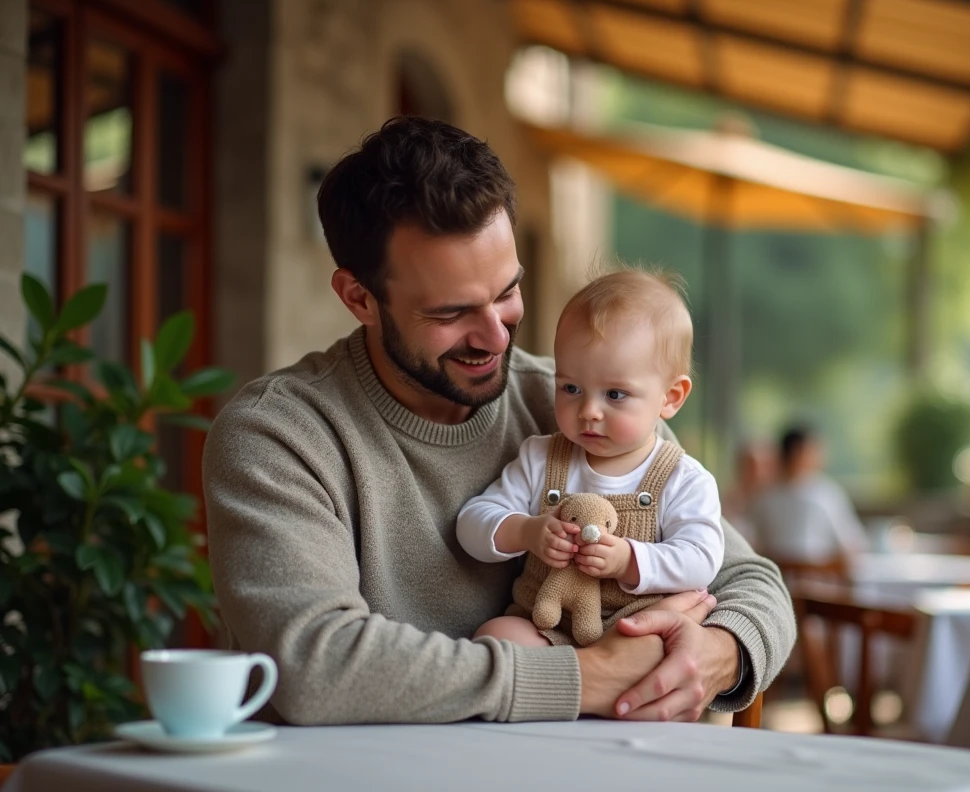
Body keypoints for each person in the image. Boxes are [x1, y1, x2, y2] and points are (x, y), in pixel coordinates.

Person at [202, 116, 794, 727]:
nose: (494, 336)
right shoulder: (278, 437)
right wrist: (591, 677)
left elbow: (751, 581)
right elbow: (314, 668)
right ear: (359, 299)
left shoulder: (584, 407)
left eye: (507, 292)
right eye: (452, 311)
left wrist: (719, 652)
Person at [457, 269, 723, 647]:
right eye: (571, 388)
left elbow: (702, 558)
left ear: (671, 397)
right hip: (547, 625)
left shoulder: (682, 478)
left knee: (672, 642)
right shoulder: (540, 458)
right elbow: (471, 524)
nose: (588, 411)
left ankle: (606, 683)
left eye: (614, 395)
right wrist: (526, 530)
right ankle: (581, 683)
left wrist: (628, 560)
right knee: (497, 637)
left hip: (632, 629)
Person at [748, 424, 869, 564]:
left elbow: (753, 542)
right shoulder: (826, 495)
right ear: (801, 452)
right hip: (820, 581)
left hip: (775, 581)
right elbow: (851, 544)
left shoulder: (763, 496)